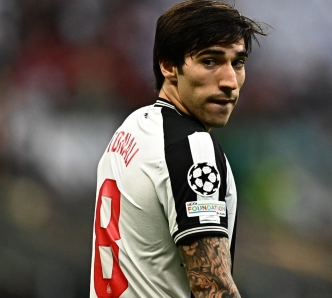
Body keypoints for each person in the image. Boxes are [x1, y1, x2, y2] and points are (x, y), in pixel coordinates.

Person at [90, 1, 267, 297]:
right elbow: (212, 287)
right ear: (168, 65)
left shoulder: (131, 129)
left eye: (237, 62)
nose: (229, 82)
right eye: (210, 61)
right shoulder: (193, 149)